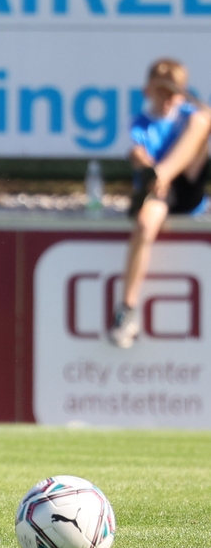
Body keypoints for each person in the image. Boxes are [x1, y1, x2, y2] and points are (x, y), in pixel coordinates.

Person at [109, 58, 210, 349]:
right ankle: (127, 309)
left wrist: (162, 173)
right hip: (158, 192)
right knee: (144, 223)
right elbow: (139, 155)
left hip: (186, 184)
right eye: (160, 93)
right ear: (147, 92)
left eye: (172, 94)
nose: (167, 101)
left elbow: (203, 121)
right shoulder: (140, 125)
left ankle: (162, 174)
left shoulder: (193, 115)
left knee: (202, 122)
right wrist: (144, 164)